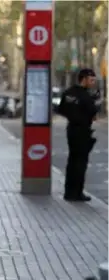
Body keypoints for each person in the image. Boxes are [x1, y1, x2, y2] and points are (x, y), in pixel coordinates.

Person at [58, 68, 100, 202]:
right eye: (91, 80)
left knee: (72, 161)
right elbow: (93, 112)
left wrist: (73, 116)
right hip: (82, 131)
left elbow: (61, 109)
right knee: (80, 162)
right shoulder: (85, 96)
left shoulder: (68, 93)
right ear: (84, 79)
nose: (93, 83)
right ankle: (77, 192)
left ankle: (69, 192)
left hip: (71, 129)